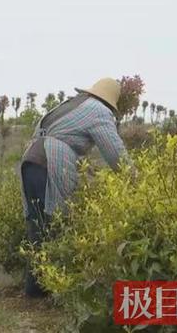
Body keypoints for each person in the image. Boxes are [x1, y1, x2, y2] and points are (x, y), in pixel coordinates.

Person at [20, 77, 130, 298]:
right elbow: (116, 155)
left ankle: (35, 290)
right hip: (50, 161)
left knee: (37, 223)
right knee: (56, 223)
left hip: (31, 160)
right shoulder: (98, 110)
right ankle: (56, 290)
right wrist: (135, 180)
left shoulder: (72, 104)